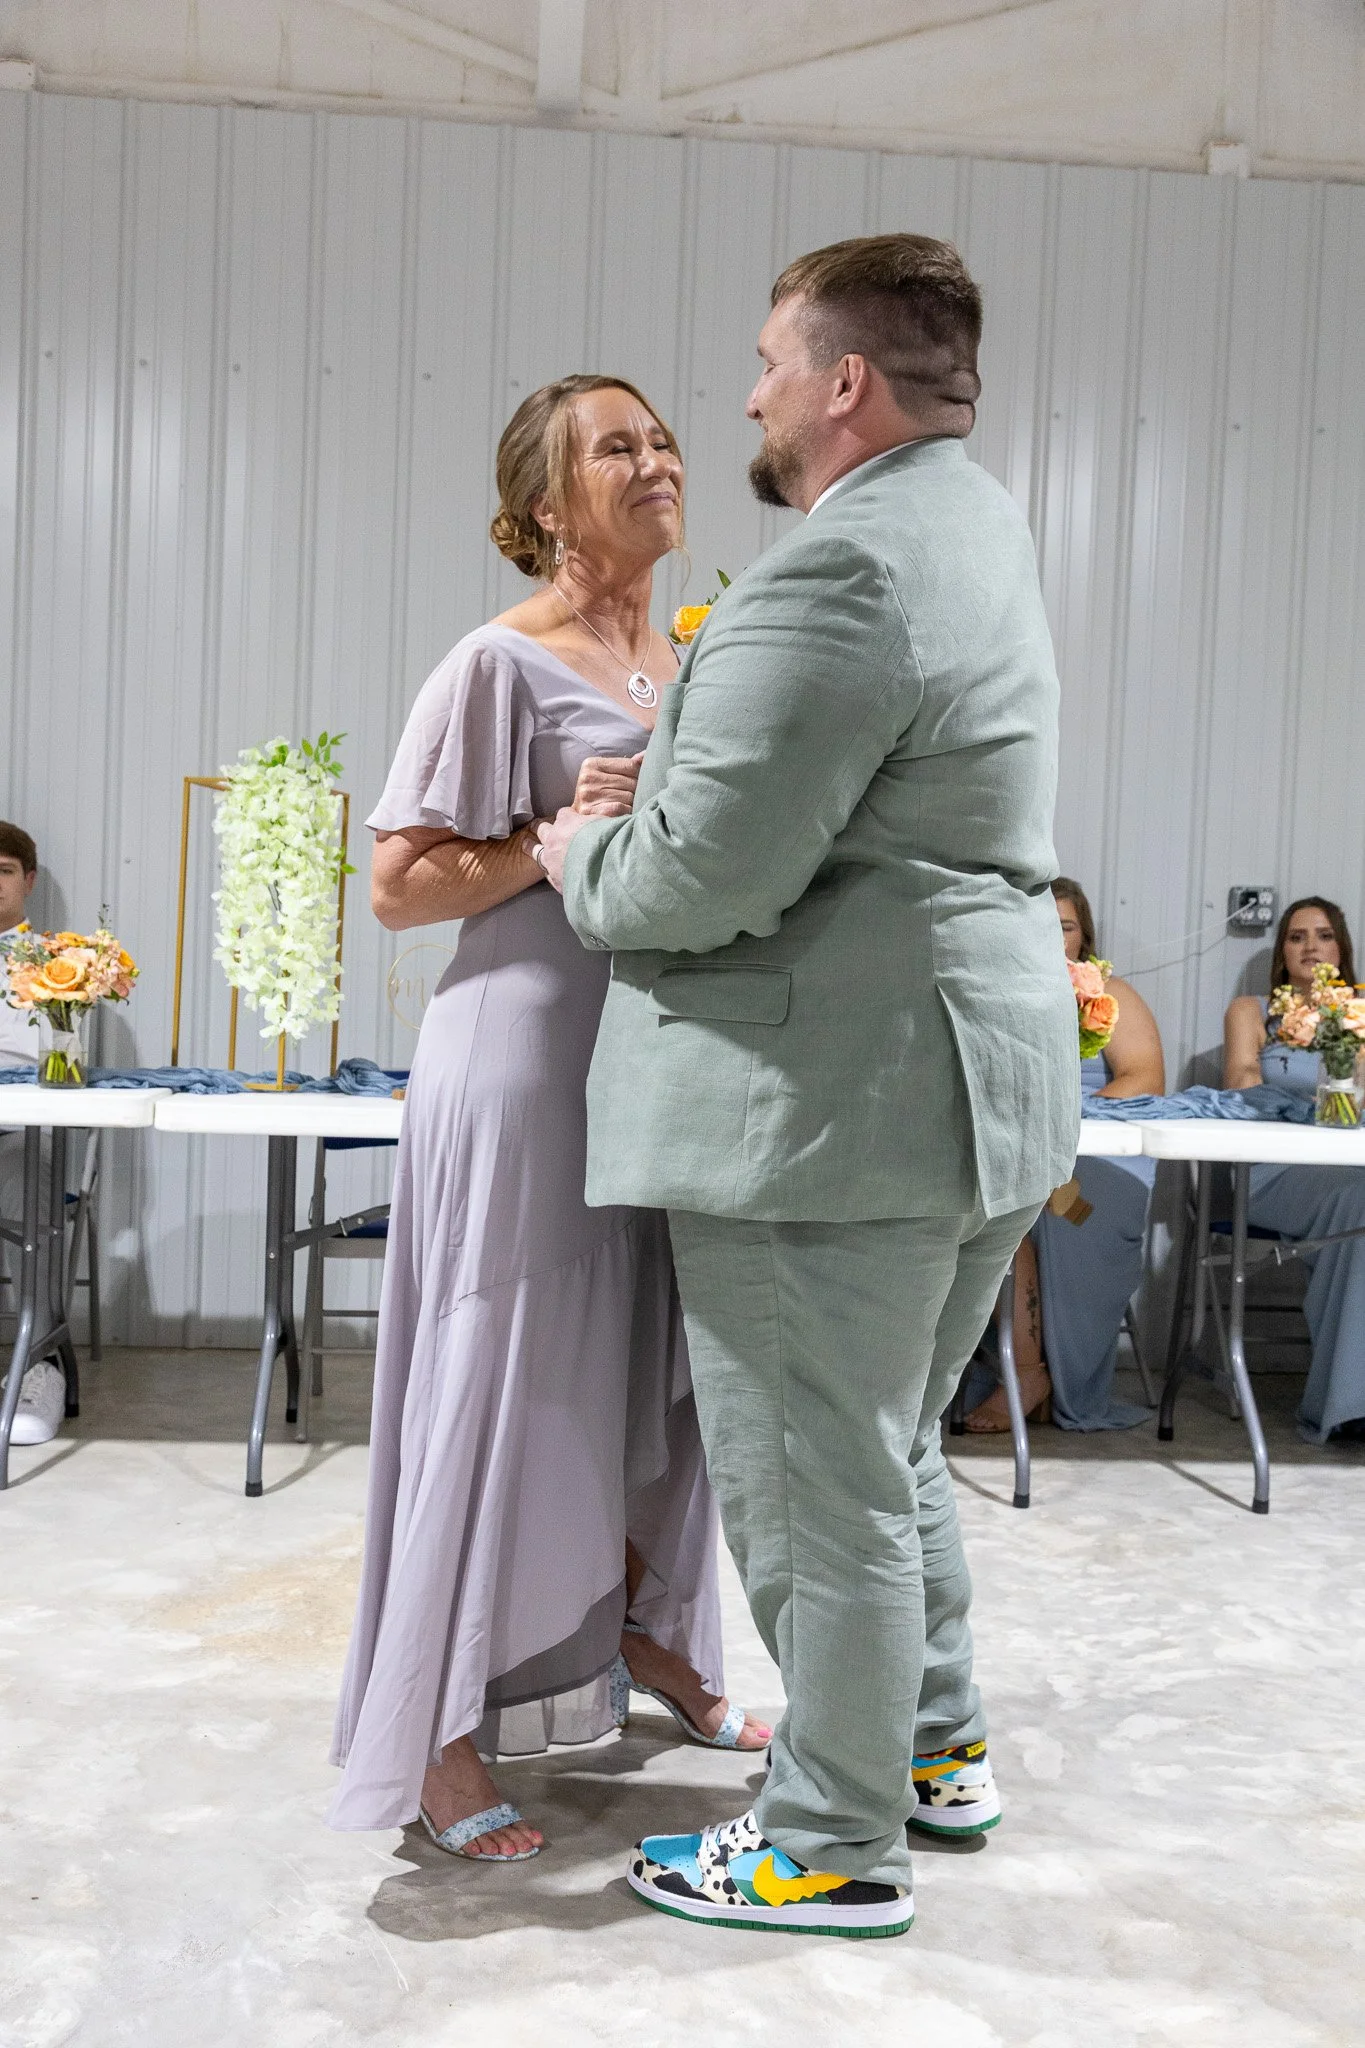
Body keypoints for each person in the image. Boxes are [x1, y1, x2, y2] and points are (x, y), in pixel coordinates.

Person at [537, 233, 1077, 1937]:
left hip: (830, 1104)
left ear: (846, 383)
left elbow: (701, 882)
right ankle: (932, 1747)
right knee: (889, 1444)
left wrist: (583, 851)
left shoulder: (837, 570)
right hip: (972, 1076)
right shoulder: (971, 524)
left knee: (811, 1477)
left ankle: (828, 1844)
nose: (750, 390)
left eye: (772, 359)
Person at [329, 376, 769, 1865]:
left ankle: (655, 1634)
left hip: (663, 1068)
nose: (656, 460)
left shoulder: (686, 661)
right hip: (522, 1066)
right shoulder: (493, 666)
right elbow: (395, 886)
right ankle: (438, 1734)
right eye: (614, 447)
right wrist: (542, 837)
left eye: (660, 438)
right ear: (540, 504)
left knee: (666, 1374)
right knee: (501, 1384)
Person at [965, 876, 1165, 1432]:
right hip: (1022, 1160)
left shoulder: (1112, 996)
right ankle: (1026, 1368)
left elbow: (1144, 1078)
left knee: (1060, 1208)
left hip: (1096, 1171)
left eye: (1066, 927)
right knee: (1005, 1211)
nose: (1053, 938)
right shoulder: (995, 994)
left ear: (1085, 937)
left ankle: (1043, 1374)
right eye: (1040, 926)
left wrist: (1061, 1123)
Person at [1224, 896, 1365, 1441]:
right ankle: (1347, 1405)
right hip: (1270, 1170)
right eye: (1297, 937)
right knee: (1356, 1203)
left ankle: (1347, 1389)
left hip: (1344, 1165)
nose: (1311, 947)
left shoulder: (1357, 1011)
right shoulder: (1253, 1010)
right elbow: (1241, 1081)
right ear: (1282, 952)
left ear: (1341, 948)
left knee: (1355, 1201)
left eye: (1324, 936)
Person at [0, 822, 64, 1447]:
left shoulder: (60, 964)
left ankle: (37, 1365)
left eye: (3, 871)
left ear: (28, 880)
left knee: (29, 1177)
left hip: (22, 1128)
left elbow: (66, 1060)